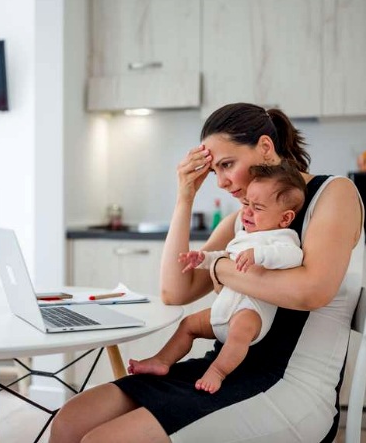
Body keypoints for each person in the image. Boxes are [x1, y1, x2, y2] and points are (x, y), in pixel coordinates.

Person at [49, 103, 364, 443]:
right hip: (221, 369)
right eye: (215, 171)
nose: (223, 182)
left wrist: (217, 266)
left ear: (265, 147)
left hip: (291, 385)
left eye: (228, 164)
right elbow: (176, 291)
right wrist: (185, 197)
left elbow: (311, 292)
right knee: (71, 421)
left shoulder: (334, 194)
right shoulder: (241, 220)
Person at [128, 162, 307, 395]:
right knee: (189, 325)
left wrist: (260, 255)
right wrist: (203, 258)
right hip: (224, 310)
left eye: (258, 207)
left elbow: (293, 256)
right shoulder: (243, 234)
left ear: (285, 218)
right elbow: (225, 256)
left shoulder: (282, 237)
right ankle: (161, 360)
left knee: (239, 334)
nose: (247, 212)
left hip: (251, 313)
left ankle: (218, 372)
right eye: (246, 204)